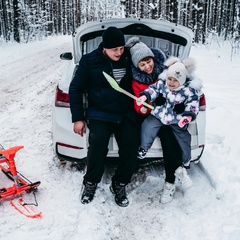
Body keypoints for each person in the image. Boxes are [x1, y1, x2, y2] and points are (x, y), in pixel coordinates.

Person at [69, 27, 140, 207]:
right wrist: (77, 118)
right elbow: (75, 88)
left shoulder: (129, 57)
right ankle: (90, 182)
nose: (119, 52)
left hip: (125, 112)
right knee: (98, 143)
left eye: (121, 48)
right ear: (104, 48)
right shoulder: (89, 61)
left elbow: (149, 64)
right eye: (114, 49)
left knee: (132, 145)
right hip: (100, 113)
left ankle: (119, 183)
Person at [126, 37, 202, 203]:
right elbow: (144, 98)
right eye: (142, 64)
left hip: (172, 117)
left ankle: (171, 181)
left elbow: (190, 94)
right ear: (136, 66)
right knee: (158, 132)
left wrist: (185, 110)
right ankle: (174, 171)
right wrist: (146, 104)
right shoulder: (137, 80)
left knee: (172, 141)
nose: (147, 67)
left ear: (153, 58)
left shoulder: (169, 71)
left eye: (148, 61)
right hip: (153, 115)